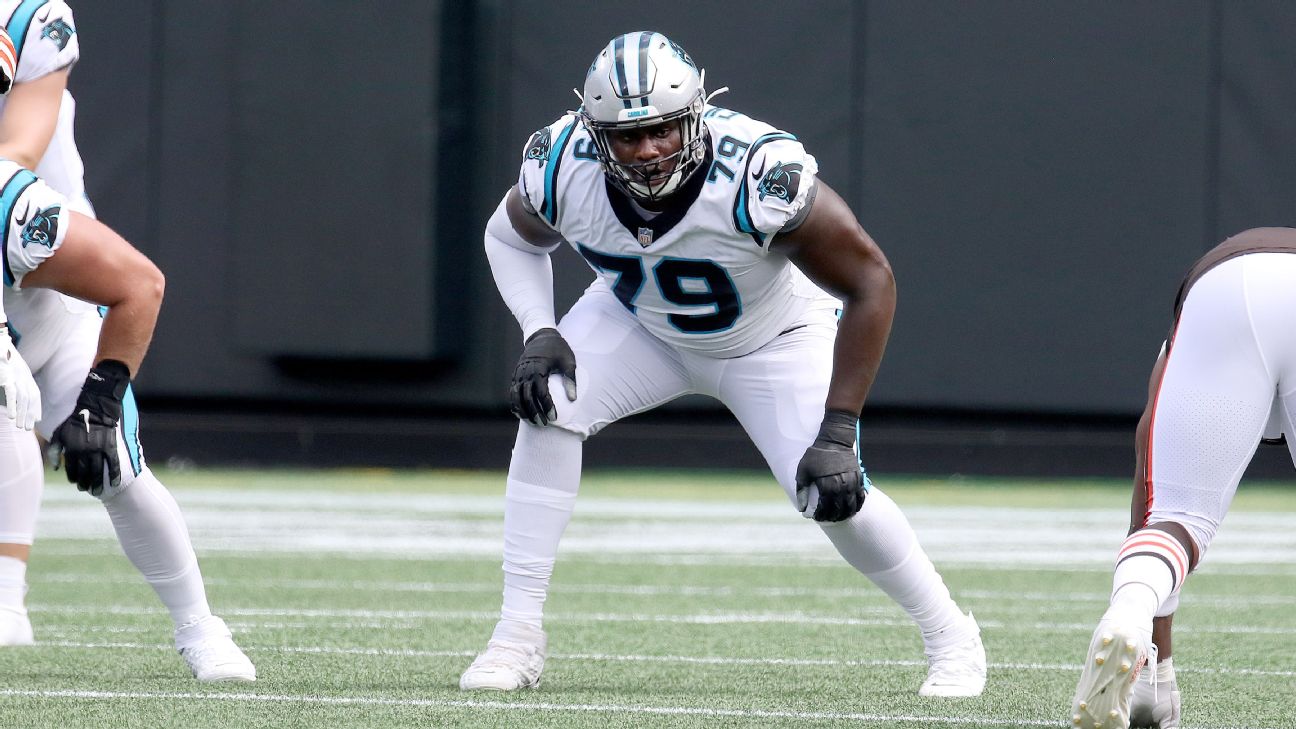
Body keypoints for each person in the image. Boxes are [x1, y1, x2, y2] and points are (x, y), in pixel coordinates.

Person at [459, 31, 986, 697]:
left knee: (830, 493)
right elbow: (507, 236)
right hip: (639, 321)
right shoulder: (563, 163)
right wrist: (540, 330)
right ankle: (515, 635)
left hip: (774, 336)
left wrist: (839, 428)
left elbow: (872, 281)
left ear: (697, 115)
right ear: (595, 134)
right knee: (548, 404)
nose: (647, 150)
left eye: (663, 130)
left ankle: (950, 634)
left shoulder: (757, 172)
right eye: (627, 136)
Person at [0, 10, 255, 682]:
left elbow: (139, 284)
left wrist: (102, 397)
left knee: (115, 465)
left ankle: (201, 626)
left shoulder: (17, 207)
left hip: (46, 299)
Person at [1070, 227, 1296, 728]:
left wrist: (1157, 674)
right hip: (1226, 278)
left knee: (1176, 518)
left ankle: (1129, 615)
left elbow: (1148, 483)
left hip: (1228, 283)